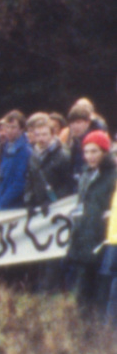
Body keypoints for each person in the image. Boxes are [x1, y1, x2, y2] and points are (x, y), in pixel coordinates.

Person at [68, 132, 112, 314]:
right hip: (83, 236)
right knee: (82, 290)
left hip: (103, 239)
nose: (90, 156)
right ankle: (83, 331)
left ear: (104, 152)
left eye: (95, 152)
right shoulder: (85, 174)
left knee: (101, 289)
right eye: (86, 152)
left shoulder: (112, 176)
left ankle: (100, 333)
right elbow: (81, 204)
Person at [0, 113, 31, 211]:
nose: (9, 131)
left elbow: (20, 182)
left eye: (13, 127)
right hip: (1, 199)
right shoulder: (6, 147)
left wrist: (2, 203)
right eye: (7, 127)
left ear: (21, 129)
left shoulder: (24, 150)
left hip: (14, 205)